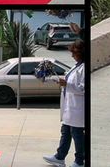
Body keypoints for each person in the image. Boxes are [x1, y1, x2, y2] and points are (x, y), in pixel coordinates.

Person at [43, 39, 85, 167]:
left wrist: (67, 84)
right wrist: (63, 83)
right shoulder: (77, 65)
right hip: (70, 107)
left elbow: (83, 88)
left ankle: (80, 161)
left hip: (78, 108)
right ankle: (60, 157)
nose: (72, 55)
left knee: (77, 135)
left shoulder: (84, 67)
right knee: (65, 131)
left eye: (74, 53)